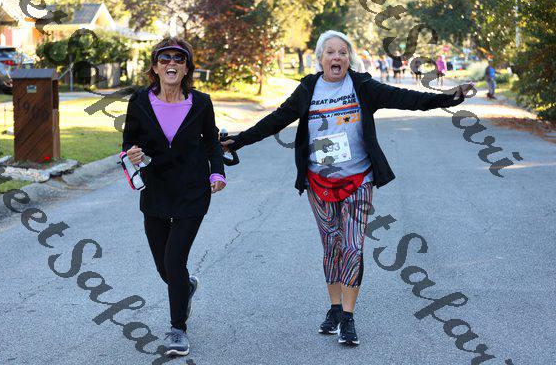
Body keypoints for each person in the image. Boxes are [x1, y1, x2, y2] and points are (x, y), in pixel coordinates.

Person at [220, 30, 472, 347]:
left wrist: (449, 97)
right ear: (320, 58)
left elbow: (407, 99)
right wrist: (239, 140)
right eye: (330, 52)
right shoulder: (308, 89)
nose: (336, 57)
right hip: (319, 182)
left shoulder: (363, 86)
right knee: (332, 246)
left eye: (342, 52)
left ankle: (349, 317)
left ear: (349, 58)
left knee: (352, 246)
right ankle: (335, 308)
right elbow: (276, 120)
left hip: (358, 180)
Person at [122, 37, 227, 357]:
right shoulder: (139, 101)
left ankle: (177, 329)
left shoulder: (201, 103)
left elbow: (211, 142)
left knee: (174, 260)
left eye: (179, 59)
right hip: (155, 190)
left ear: (186, 68)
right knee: (164, 268)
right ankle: (186, 288)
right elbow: (128, 143)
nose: (171, 63)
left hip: (192, 192)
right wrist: (131, 154)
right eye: (164, 58)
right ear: (155, 67)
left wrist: (217, 172)